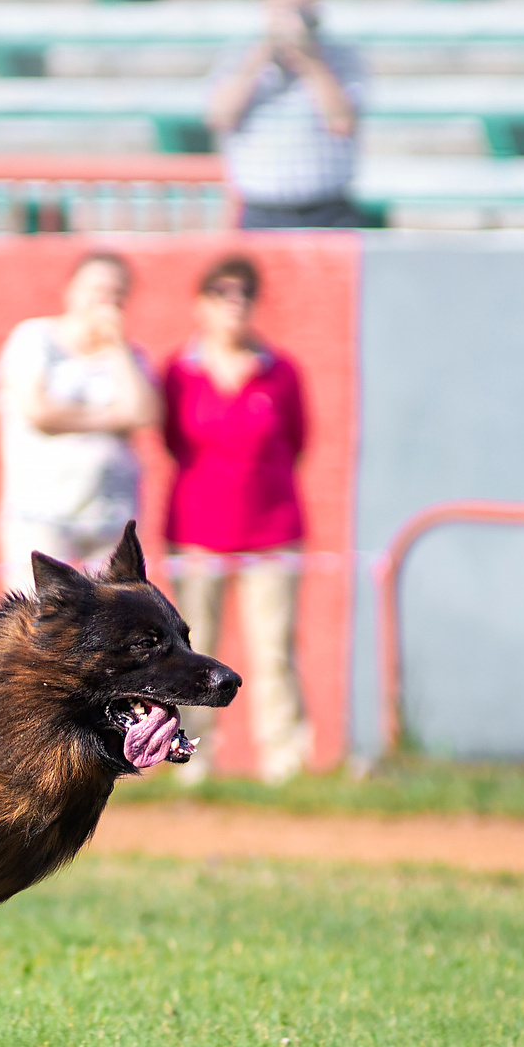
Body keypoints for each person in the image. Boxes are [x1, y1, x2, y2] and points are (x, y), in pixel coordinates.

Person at [159, 254, 312, 784]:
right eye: (221, 293)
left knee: (274, 651)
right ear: (201, 304)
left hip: (272, 533)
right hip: (197, 535)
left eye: (243, 294)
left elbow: (296, 442)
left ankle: (284, 763)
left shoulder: (281, 371)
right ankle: (192, 761)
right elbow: (174, 443)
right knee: (192, 653)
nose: (234, 304)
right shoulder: (180, 372)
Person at [0, 251, 161, 593]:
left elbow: (144, 413)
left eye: (118, 293)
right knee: (43, 623)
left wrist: (116, 347)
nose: (107, 302)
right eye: (98, 290)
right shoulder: (35, 338)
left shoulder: (130, 356)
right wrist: (113, 417)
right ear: (72, 290)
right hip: (42, 514)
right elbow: (39, 411)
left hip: (110, 516)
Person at [203, 0, 374, 232]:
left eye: (304, 4)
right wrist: (262, 53)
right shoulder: (239, 55)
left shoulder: (339, 56)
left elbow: (342, 123)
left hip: (326, 210)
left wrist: (311, 62)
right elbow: (220, 117)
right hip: (261, 211)